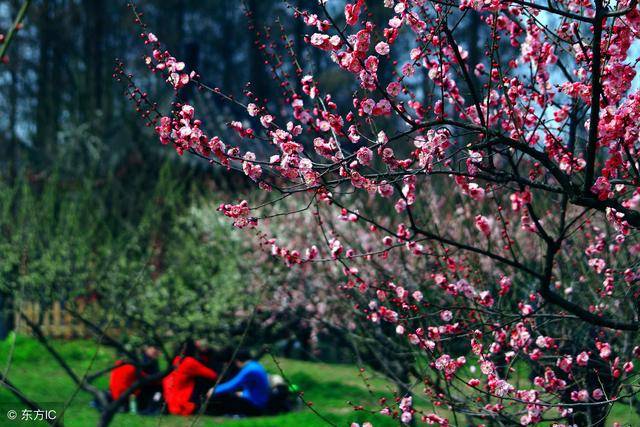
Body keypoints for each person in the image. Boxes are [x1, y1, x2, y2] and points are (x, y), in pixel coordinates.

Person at [205, 349, 270, 416]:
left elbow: (233, 385)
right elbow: (253, 387)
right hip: (260, 402)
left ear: (238, 361)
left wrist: (215, 390)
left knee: (223, 396)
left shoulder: (249, 370)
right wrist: (243, 394)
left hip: (255, 406)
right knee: (234, 395)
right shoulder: (255, 365)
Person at [162, 339, 218, 416]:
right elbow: (213, 375)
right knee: (202, 380)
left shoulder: (177, 360)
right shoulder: (190, 362)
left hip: (173, 403)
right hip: (184, 406)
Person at [107, 345, 161, 413]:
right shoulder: (134, 367)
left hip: (113, 392)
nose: (157, 352)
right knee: (158, 391)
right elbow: (146, 378)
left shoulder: (118, 363)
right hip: (126, 395)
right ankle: (153, 406)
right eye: (155, 349)